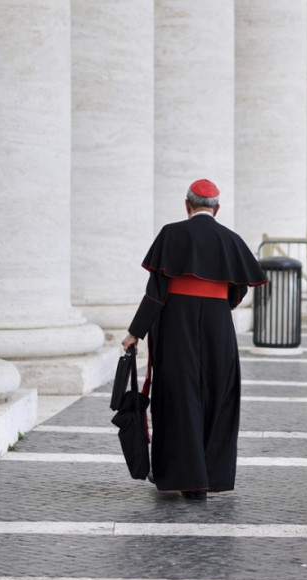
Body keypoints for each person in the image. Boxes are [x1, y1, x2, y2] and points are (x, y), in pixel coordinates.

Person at [122, 179, 266, 500]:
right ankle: (209, 477)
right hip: (218, 327)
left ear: (187, 205)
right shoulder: (231, 240)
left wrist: (135, 332)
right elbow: (238, 290)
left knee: (179, 396)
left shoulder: (171, 234)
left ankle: (185, 478)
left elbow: (156, 293)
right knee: (217, 394)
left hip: (176, 325)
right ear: (217, 208)